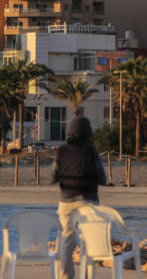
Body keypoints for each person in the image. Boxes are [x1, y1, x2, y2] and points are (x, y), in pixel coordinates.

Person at [51, 116, 107, 279]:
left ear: (70, 133)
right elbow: (102, 179)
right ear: (88, 134)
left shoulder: (61, 151)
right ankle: (88, 276)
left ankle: (65, 276)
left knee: (66, 241)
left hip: (65, 202)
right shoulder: (91, 152)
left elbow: (53, 177)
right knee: (88, 240)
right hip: (87, 201)